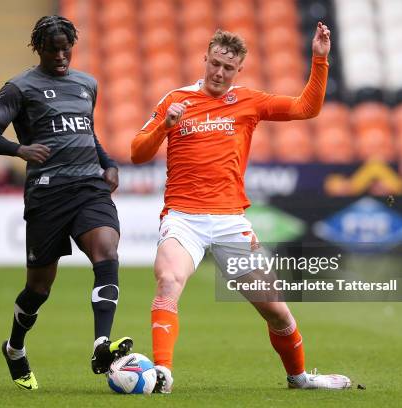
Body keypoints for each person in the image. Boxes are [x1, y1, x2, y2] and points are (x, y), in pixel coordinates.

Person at [131, 22, 351, 393]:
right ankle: (163, 373)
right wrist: (164, 127)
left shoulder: (248, 101)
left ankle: (299, 378)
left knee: (276, 310)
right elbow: (137, 153)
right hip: (183, 218)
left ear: (238, 70)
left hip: (231, 221)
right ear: (205, 59)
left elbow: (306, 108)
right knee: (168, 281)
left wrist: (319, 58)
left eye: (228, 68)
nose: (219, 72)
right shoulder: (175, 101)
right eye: (214, 63)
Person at [0, 15, 132, 391]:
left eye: (67, 48)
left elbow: (85, 130)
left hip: (88, 188)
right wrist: (20, 149)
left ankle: (101, 343)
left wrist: (108, 163)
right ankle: (15, 348)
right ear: (39, 49)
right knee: (39, 289)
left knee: (107, 253)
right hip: (47, 194)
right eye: (53, 49)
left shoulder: (86, 84)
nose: (62, 56)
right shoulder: (19, 87)